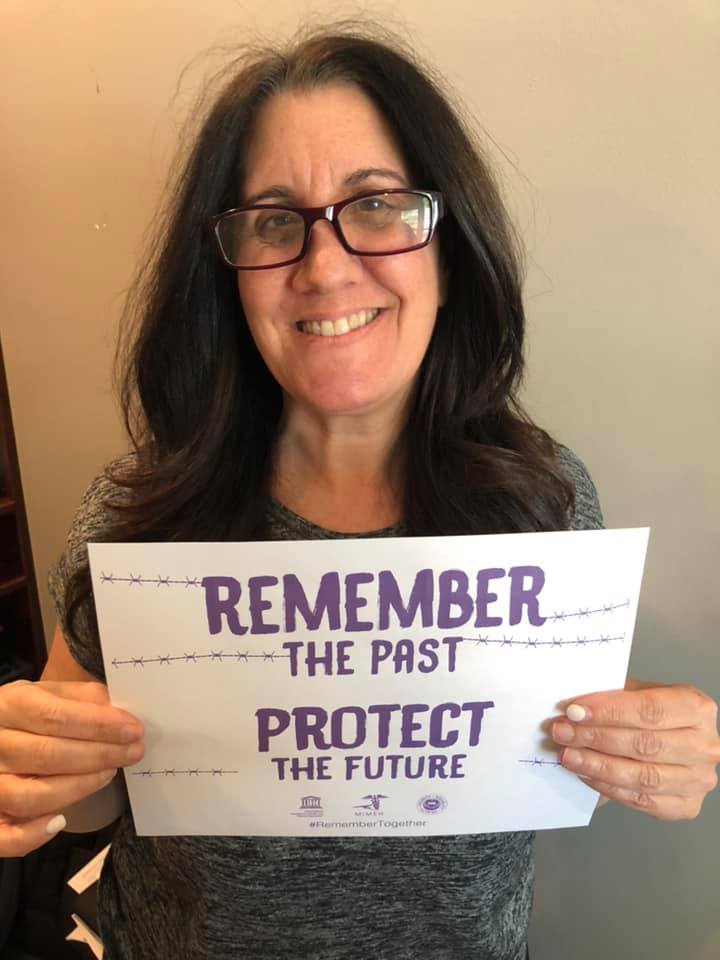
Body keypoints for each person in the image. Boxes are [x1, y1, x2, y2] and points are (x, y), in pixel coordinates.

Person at [2, 22, 718, 960]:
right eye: (272, 219)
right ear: (228, 277)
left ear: (449, 250)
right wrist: (34, 770)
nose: (325, 266)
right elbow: (96, 783)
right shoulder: (141, 515)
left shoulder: (539, 497)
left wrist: (655, 741)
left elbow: (551, 719)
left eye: (375, 206)